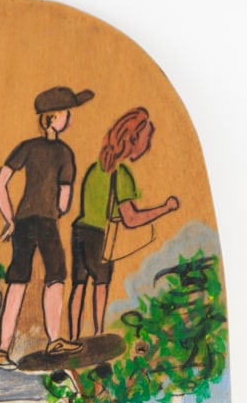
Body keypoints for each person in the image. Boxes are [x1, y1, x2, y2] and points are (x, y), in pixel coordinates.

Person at [0, 84, 93, 366]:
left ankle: (2, 349)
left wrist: (10, 220)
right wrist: (58, 209)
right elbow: (64, 198)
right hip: (47, 221)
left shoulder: (27, 147)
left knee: (18, 280)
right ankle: (53, 339)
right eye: (67, 113)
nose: (69, 118)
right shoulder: (64, 152)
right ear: (54, 117)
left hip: (23, 221)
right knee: (55, 276)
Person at [68, 107, 180, 340]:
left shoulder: (96, 168)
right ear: (132, 138)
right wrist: (165, 208)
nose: (148, 145)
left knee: (78, 285)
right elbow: (131, 218)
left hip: (80, 231)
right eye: (147, 138)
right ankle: (97, 335)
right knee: (100, 285)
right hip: (101, 235)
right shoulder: (121, 173)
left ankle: (73, 337)